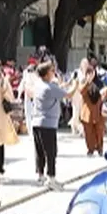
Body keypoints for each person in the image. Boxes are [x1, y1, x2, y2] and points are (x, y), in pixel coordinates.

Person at [28, 62, 76, 190]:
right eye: (51, 70)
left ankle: (40, 175)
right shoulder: (50, 87)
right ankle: (51, 178)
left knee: (39, 151)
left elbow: (58, 89)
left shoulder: (38, 85)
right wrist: (76, 85)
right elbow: (69, 94)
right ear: (46, 73)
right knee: (51, 152)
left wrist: (62, 83)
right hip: (48, 124)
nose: (54, 72)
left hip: (36, 122)